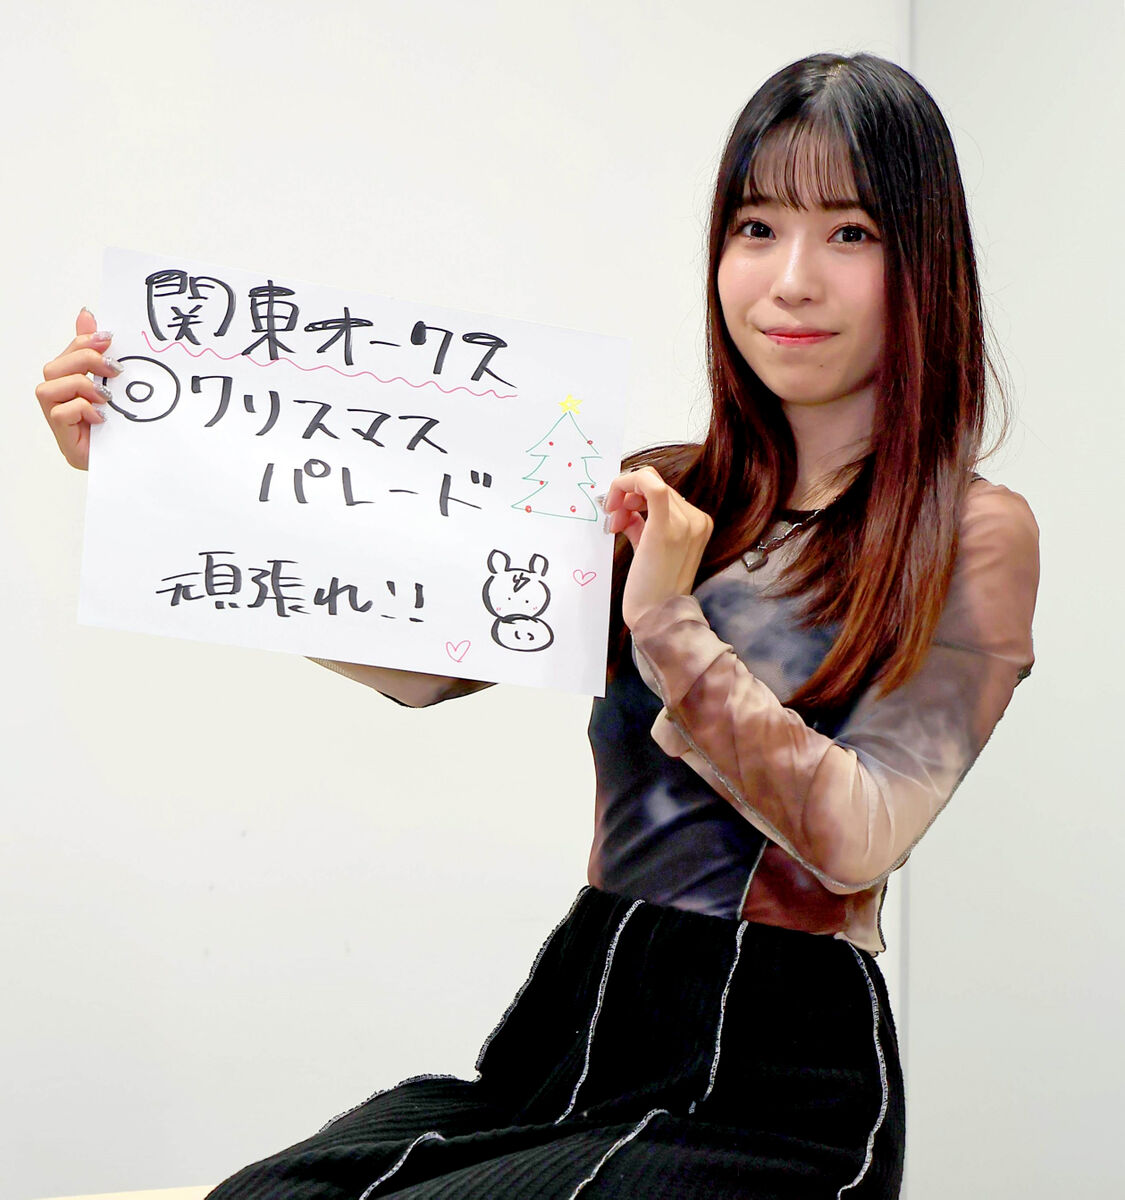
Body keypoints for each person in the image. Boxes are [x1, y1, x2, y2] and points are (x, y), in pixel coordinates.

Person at [37, 50, 1038, 1200]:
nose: (791, 280)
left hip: (778, 1077)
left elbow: (859, 833)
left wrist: (667, 620)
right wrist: (156, 474)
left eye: (849, 232)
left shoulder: (973, 534)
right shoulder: (673, 489)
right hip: (581, 1021)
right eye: (757, 227)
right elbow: (424, 666)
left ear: (923, 262)